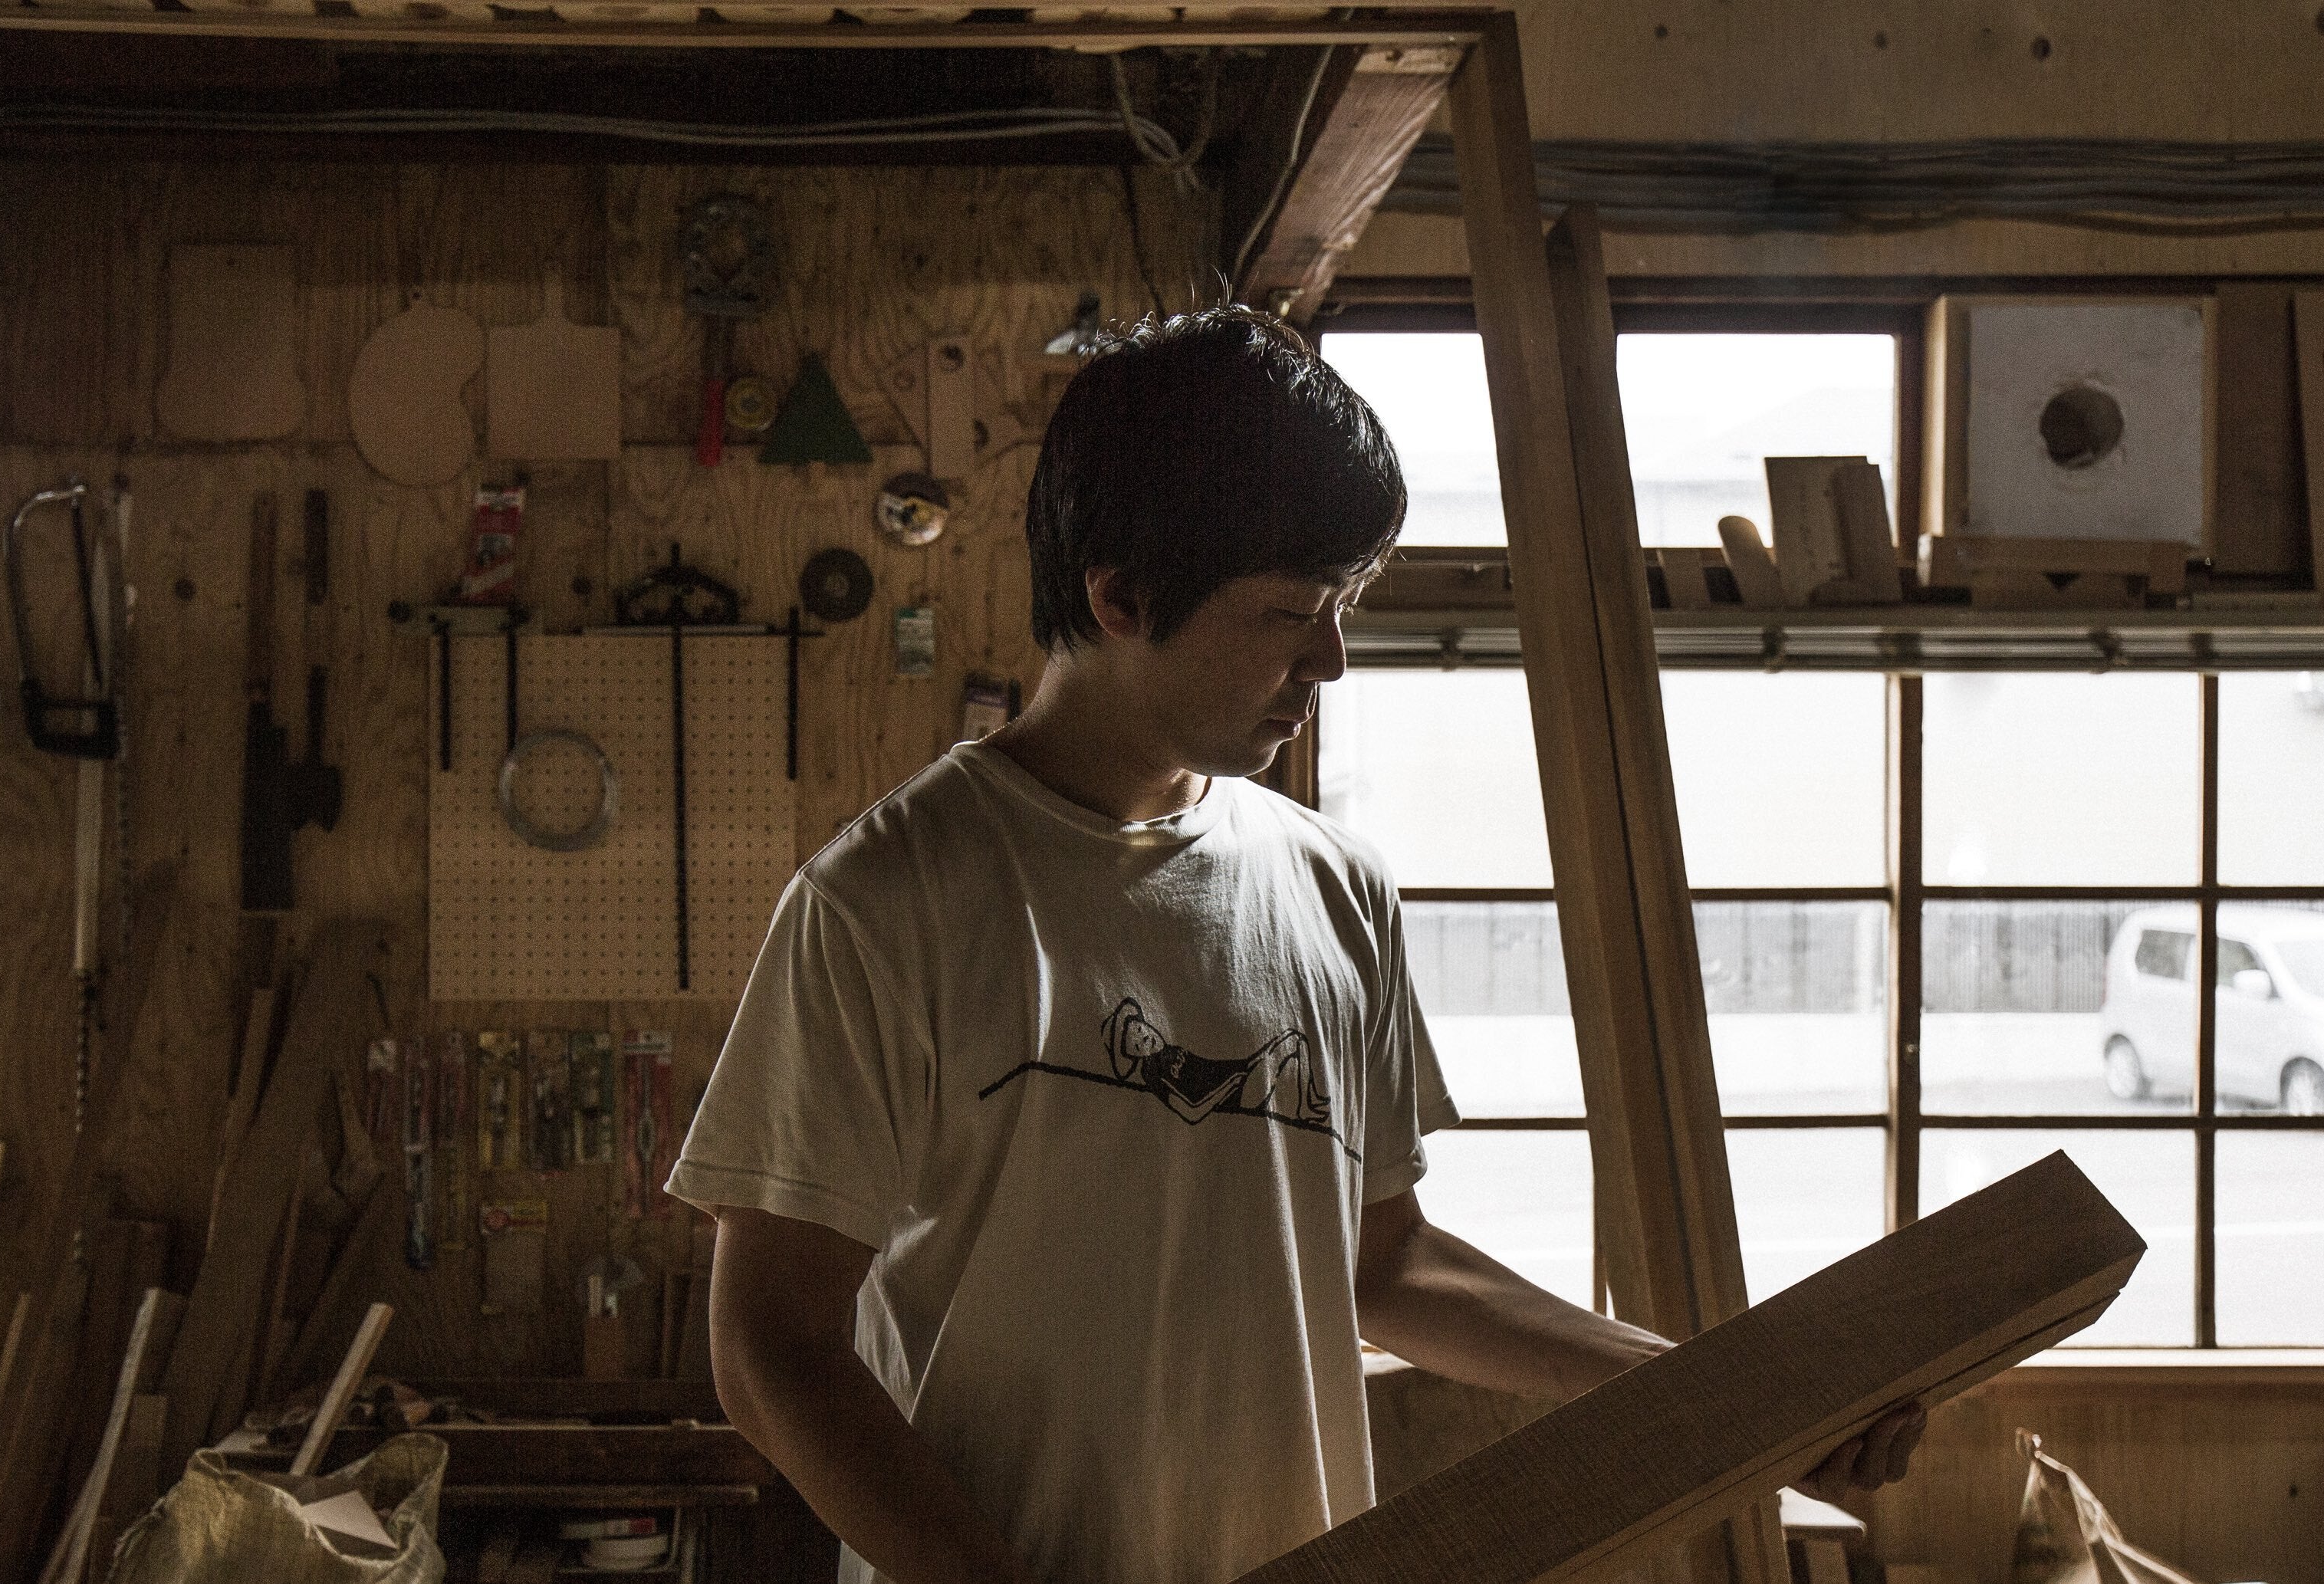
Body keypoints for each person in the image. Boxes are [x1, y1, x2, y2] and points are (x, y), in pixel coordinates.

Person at [666, 306, 1923, 1584]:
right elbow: (770, 1348)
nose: (1330, 657)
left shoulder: (1335, 889)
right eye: (1288, 612)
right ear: (1120, 595)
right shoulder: (887, 898)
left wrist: (1727, 1392)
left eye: (1345, 604)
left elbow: (1385, 1262)